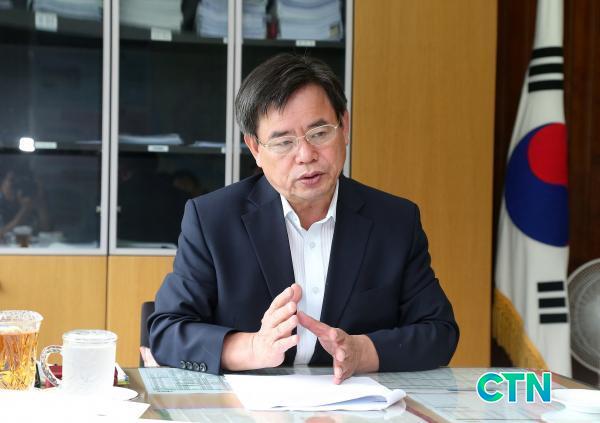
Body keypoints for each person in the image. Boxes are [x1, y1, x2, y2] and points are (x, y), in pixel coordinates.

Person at [148, 53, 459, 383]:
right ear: (255, 149)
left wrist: (363, 352)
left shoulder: (395, 221)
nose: (306, 155)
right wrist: (252, 348)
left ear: (345, 127)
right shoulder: (213, 220)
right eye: (284, 142)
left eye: (320, 133)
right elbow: (167, 331)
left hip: (355, 401)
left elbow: (439, 331)